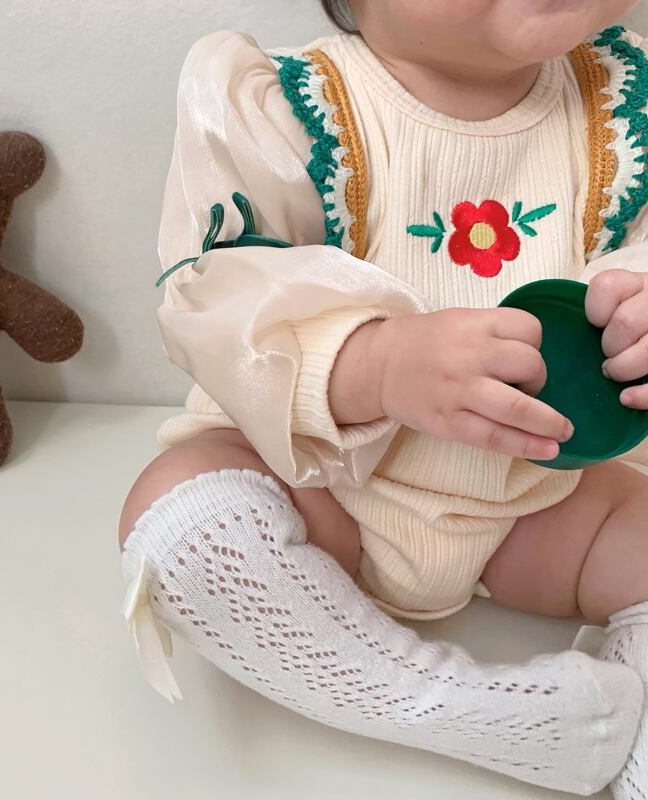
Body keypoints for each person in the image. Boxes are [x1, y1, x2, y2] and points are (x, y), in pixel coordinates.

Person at [120, 2, 648, 795]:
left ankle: (628, 719)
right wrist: (376, 362)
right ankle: (459, 709)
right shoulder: (283, 108)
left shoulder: (626, 95)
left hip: (540, 499)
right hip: (328, 488)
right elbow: (215, 300)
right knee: (180, 521)